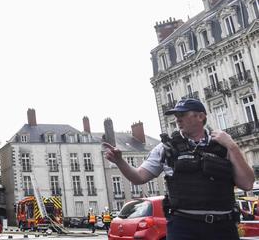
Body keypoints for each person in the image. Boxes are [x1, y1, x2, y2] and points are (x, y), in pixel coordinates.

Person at [103, 98, 255, 240]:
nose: (177, 119)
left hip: (223, 227)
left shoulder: (223, 145)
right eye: (176, 115)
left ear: (200, 116)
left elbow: (247, 184)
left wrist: (232, 146)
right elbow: (139, 177)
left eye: (182, 114)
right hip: (184, 227)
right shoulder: (166, 148)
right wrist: (120, 161)